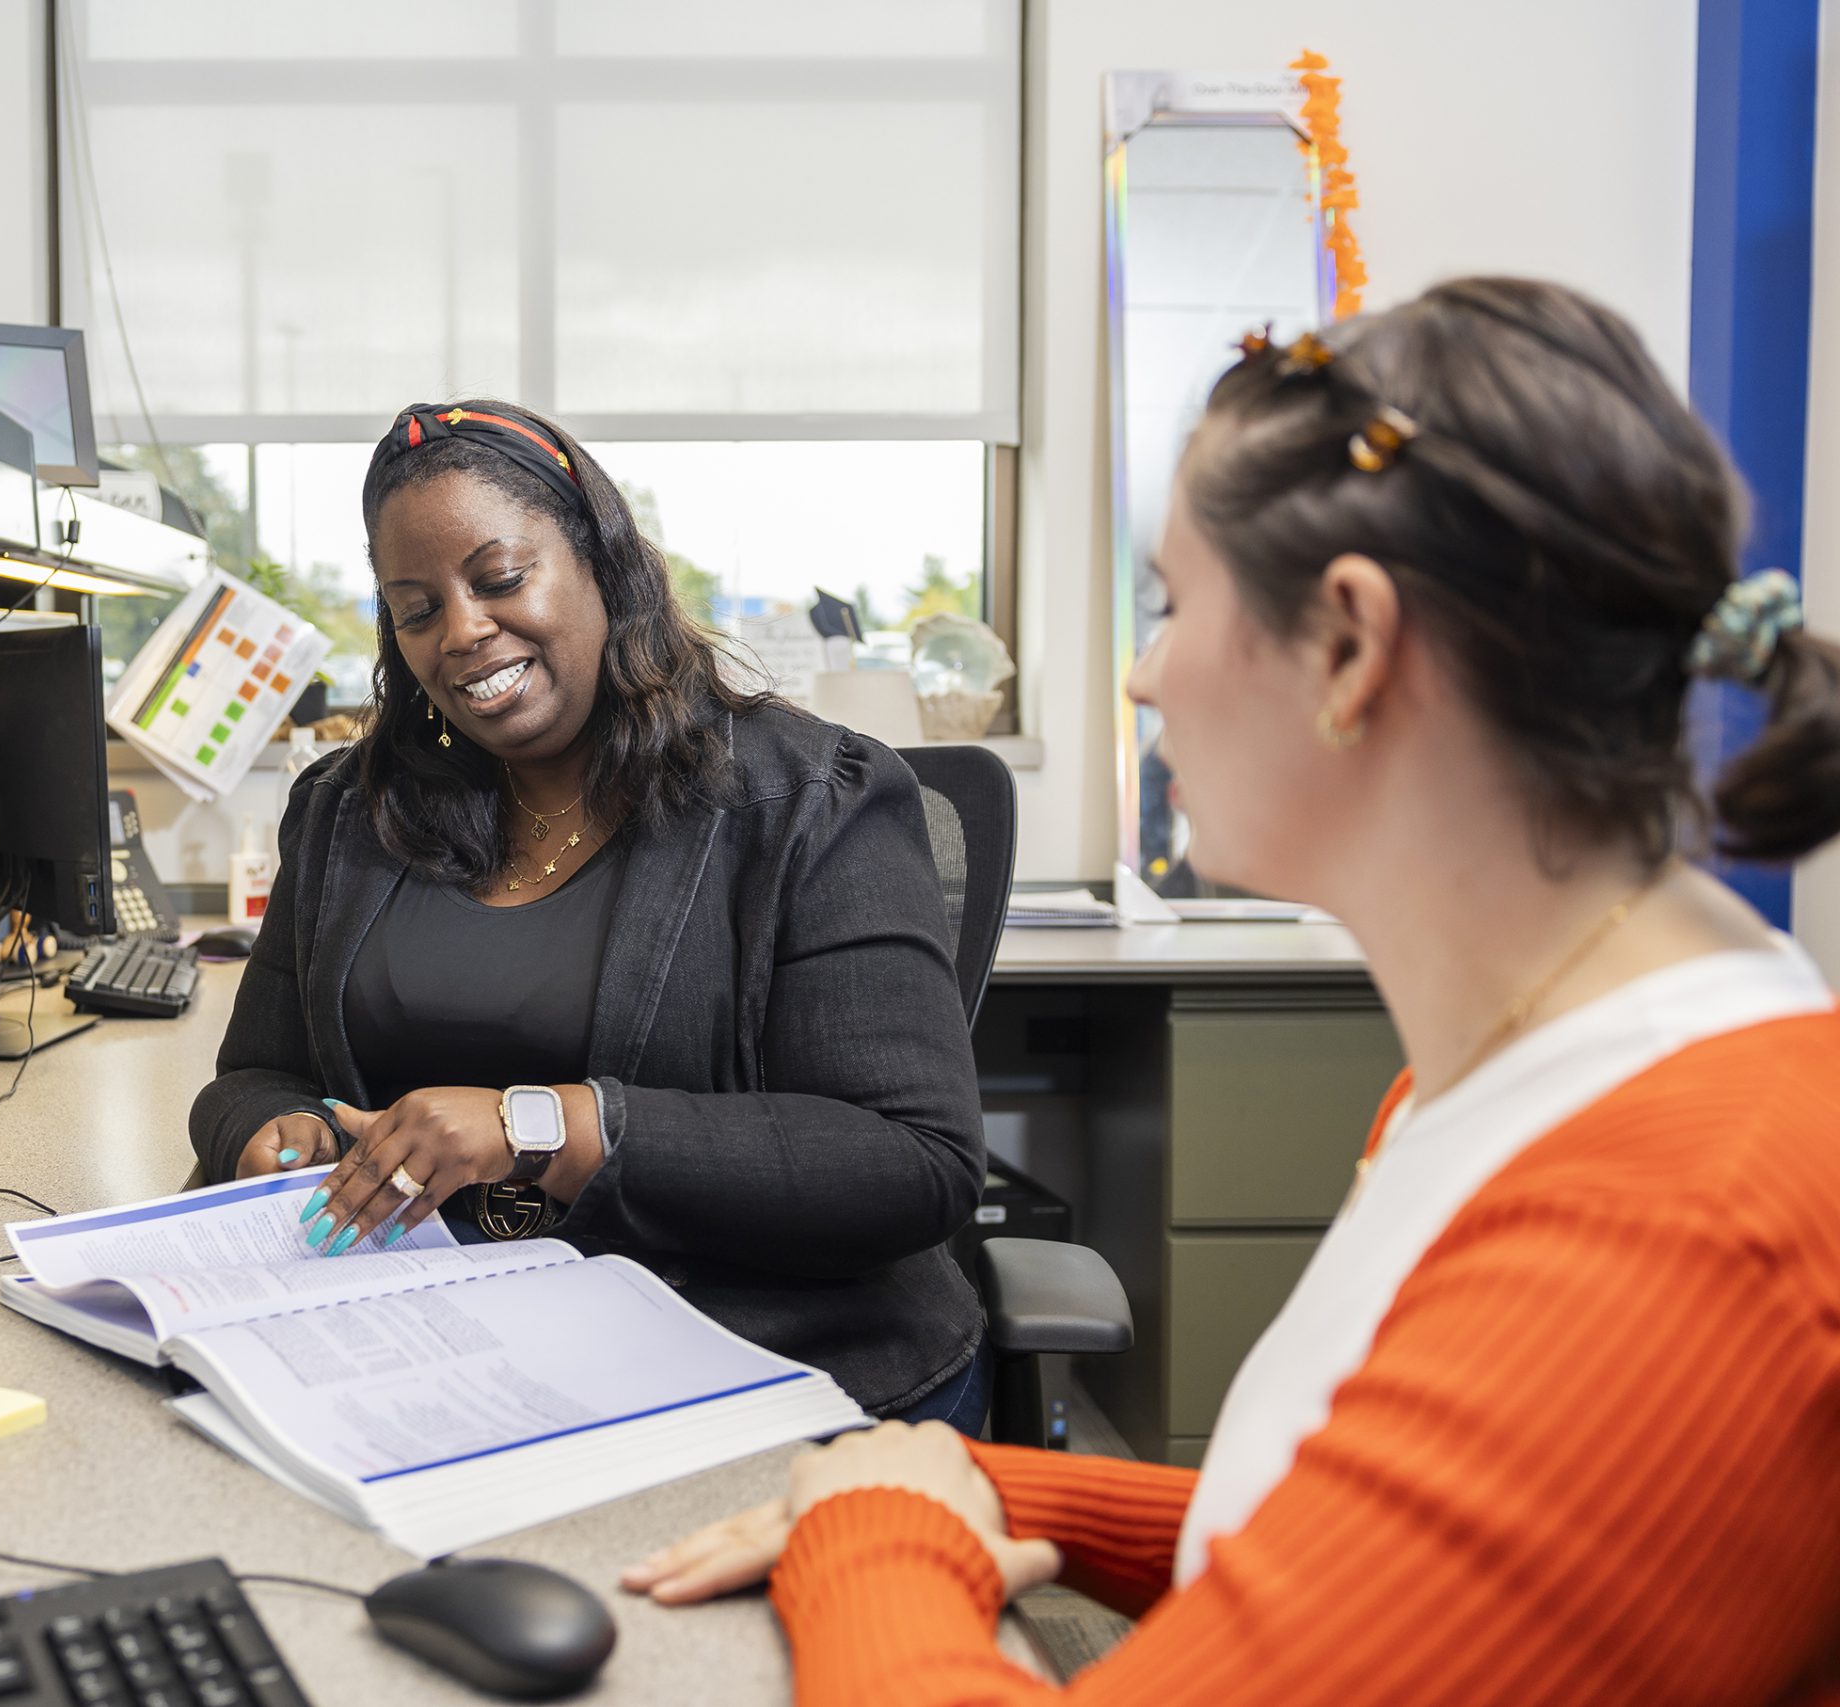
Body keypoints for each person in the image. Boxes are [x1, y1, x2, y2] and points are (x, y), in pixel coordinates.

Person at [622, 278, 1840, 1703]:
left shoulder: (1674, 1222)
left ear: (1348, 645)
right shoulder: (1530, 1062)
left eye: (1171, 601)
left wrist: (878, 1527)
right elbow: (1398, 1555)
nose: (1143, 676)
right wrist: (987, 1483)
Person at [187, 399, 993, 1424]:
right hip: (440, 1348)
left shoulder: (810, 798)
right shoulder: (353, 808)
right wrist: (273, 1131)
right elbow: (252, 1074)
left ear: (603, 567)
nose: (464, 633)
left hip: (757, 1354)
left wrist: (544, 1126)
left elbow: (911, 1161)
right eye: (417, 607)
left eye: (499, 578)